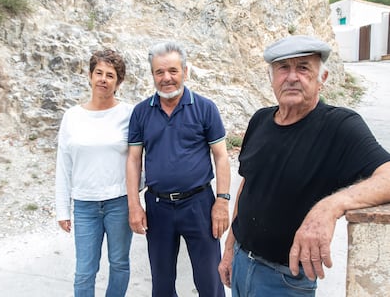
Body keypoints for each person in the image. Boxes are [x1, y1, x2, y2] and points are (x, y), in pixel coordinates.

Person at [218, 35, 390, 297]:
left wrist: (330, 206)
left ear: (323, 78)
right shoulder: (260, 120)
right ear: (271, 78)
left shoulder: (339, 126)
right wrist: (230, 248)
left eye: (303, 67)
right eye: (283, 68)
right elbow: (248, 184)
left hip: (285, 281)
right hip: (242, 261)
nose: (292, 77)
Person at [126, 41, 231, 297]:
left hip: (199, 205)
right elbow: (133, 160)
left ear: (185, 71)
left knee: (210, 280)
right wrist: (134, 205)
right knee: (161, 284)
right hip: (158, 207)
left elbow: (221, 157)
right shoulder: (141, 113)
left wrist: (222, 202)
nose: (166, 78)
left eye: (173, 70)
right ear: (152, 75)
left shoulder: (205, 108)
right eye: (159, 72)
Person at [55, 49, 134, 297]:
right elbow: (63, 164)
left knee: (119, 264)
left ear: (118, 82)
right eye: (98, 73)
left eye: (110, 75)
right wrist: (62, 209)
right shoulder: (72, 117)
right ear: (90, 76)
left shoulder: (129, 114)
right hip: (85, 205)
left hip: (119, 203)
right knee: (84, 271)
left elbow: (139, 157)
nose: (103, 79)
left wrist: (136, 195)